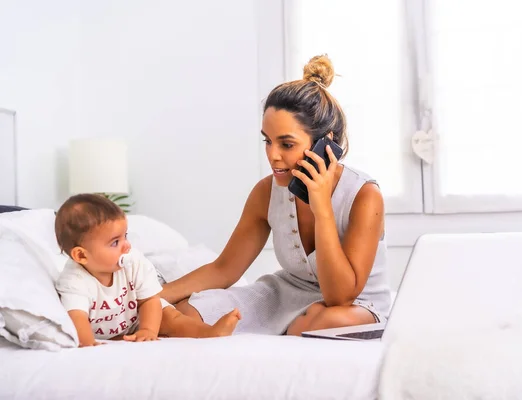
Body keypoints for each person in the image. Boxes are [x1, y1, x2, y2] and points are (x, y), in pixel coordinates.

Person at [162, 54, 391, 335]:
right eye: (268, 141)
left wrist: (322, 208)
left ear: (325, 144)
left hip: (352, 305)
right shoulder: (265, 192)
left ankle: (292, 327)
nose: (273, 155)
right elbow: (224, 269)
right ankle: (291, 327)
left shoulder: (365, 196)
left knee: (331, 320)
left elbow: (339, 297)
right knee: (184, 312)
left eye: (287, 144)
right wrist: (155, 296)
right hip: (286, 294)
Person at [54, 193, 240, 347]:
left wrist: (148, 330)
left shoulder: (133, 261)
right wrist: (88, 344)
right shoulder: (74, 280)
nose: (126, 246)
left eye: (125, 236)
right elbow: (77, 317)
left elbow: (149, 300)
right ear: (81, 256)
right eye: (115, 242)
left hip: (137, 317)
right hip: (104, 332)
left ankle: (209, 332)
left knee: (171, 317)